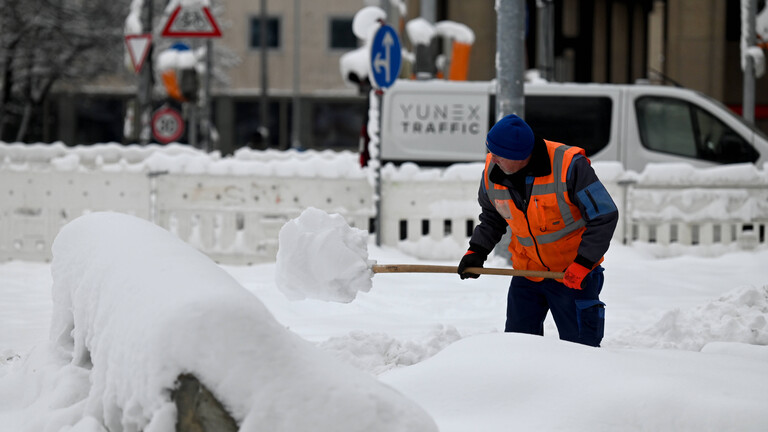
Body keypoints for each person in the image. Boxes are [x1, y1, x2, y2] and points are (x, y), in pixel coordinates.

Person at [458, 114, 618, 347]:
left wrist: (584, 263)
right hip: (527, 272)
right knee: (519, 345)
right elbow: (493, 217)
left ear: (521, 156)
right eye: (491, 152)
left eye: (499, 155)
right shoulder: (493, 172)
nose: (493, 159)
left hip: (572, 274)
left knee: (582, 349)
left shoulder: (569, 167)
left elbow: (604, 214)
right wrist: (476, 251)